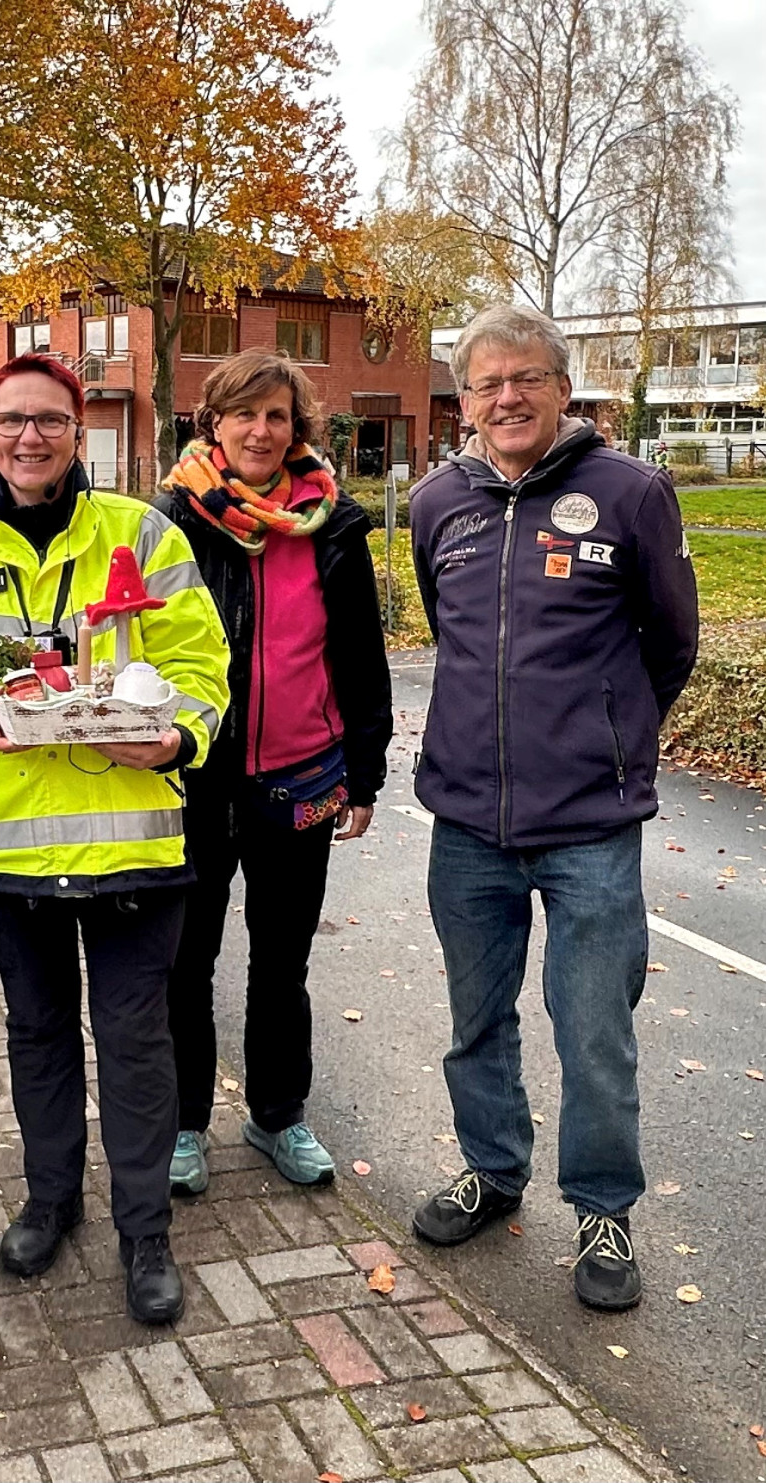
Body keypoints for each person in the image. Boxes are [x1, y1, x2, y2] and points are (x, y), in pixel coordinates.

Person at [0, 353, 231, 1325]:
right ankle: (51, 1200)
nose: (30, 437)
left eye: (49, 420)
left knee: (135, 1043)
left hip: (135, 846)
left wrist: (179, 734)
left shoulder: (146, 536)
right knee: (37, 1035)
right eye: (11, 422)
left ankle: (147, 1235)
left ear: (77, 431)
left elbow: (203, 665)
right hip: (10, 854)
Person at [408, 303, 697, 1311]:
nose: (506, 397)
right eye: (485, 384)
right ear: (466, 402)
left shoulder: (631, 493)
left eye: (525, 377)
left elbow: (671, 642)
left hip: (590, 827)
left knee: (593, 1031)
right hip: (467, 825)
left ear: (563, 389)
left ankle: (604, 1210)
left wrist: (607, 738)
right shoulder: (437, 502)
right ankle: (493, 1170)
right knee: (474, 1019)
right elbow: (451, 631)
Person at [157, 349, 391, 1194]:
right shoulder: (173, 519)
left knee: (281, 959)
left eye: (277, 416)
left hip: (302, 776)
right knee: (186, 959)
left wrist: (364, 772)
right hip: (192, 779)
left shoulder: (331, 524)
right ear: (212, 422)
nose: (261, 430)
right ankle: (183, 1124)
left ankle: (277, 1115)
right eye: (244, 413)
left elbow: (360, 656)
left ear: (298, 430)